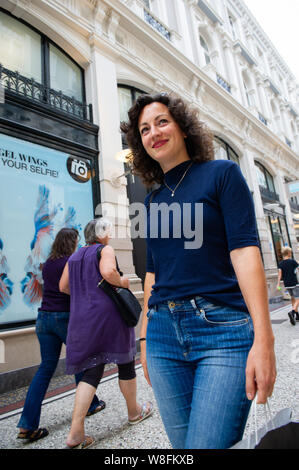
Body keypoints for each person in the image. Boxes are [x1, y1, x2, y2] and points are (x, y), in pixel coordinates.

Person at [120, 92, 276, 449]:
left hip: (222, 330)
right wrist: (144, 339)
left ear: (183, 127)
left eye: (162, 122)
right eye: (144, 129)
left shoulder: (222, 173)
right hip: (162, 335)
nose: (154, 132)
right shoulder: (153, 199)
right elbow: (153, 273)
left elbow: (245, 252)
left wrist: (264, 338)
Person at [59, 218, 153, 449]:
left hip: (82, 318)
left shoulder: (75, 255)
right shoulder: (105, 249)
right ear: (102, 234)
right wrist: (122, 281)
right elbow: (108, 271)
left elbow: (63, 286)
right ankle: (134, 412)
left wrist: (86, 292)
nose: (109, 235)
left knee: (91, 372)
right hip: (109, 316)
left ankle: (76, 432)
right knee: (125, 363)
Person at [17, 228, 105, 443]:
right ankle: (91, 404)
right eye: (76, 241)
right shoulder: (71, 262)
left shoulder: (48, 264)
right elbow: (75, 289)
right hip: (64, 319)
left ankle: (27, 425)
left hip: (44, 319)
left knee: (45, 369)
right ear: (71, 242)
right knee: (81, 360)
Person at [277, 246, 299, 326]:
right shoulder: (292, 261)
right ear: (289, 253)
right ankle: (292, 312)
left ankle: (297, 316)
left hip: (287, 284)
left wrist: (278, 284)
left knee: (293, 299)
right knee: (298, 299)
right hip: (294, 283)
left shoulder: (281, 263)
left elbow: (279, 274)